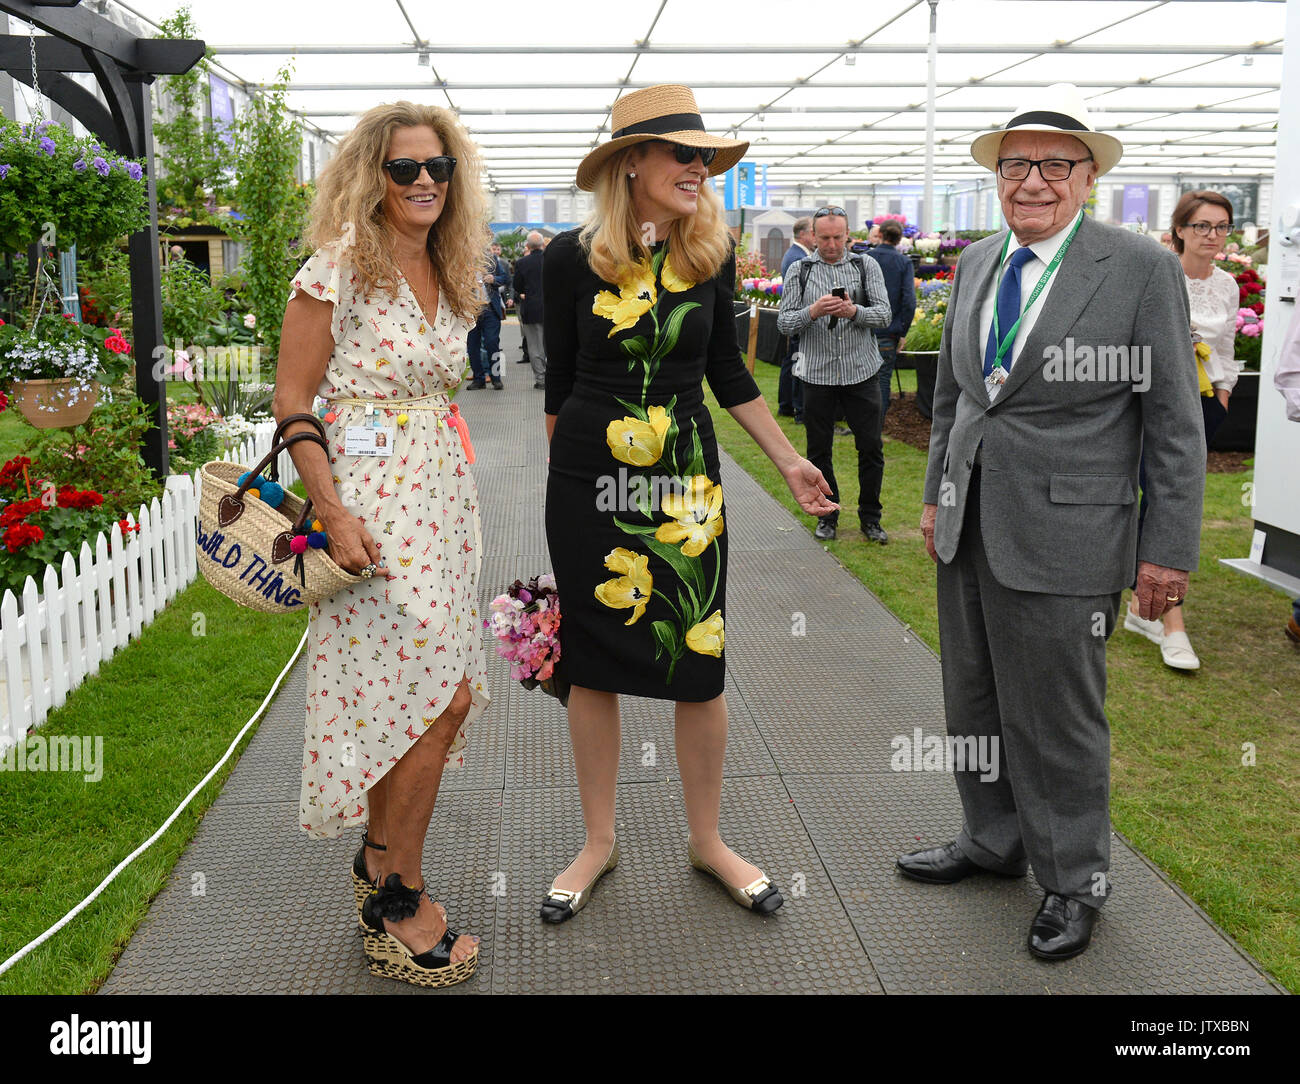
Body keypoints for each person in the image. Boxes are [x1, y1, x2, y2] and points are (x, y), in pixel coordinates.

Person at [902, 84, 1205, 961]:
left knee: (1061, 720)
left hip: (1071, 536)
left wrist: (1168, 552)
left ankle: (1075, 880)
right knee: (975, 700)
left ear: (1086, 179)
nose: (1032, 181)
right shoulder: (978, 262)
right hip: (970, 523)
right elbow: (958, 397)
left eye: (1053, 166)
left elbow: (1174, 424)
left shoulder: (1138, 267)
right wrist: (935, 495)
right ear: (997, 178)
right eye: (1015, 165)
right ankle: (993, 841)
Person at [541, 84, 836, 923]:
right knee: (590, 662)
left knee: (697, 661)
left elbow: (730, 375)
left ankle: (708, 841)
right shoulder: (570, 258)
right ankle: (598, 842)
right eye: (683, 154)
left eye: (704, 157)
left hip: (685, 484)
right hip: (588, 481)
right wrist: (564, 490)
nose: (698, 169)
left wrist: (788, 463)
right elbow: (558, 385)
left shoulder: (709, 254)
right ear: (631, 162)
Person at [274, 101, 491, 987]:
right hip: (368, 516)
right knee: (433, 703)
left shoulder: (453, 266)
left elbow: (436, 392)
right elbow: (293, 401)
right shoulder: (336, 271)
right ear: (373, 177)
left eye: (438, 167)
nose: (425, 182)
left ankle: (378, 858)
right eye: (405, 169)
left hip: (441, 505)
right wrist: (330, 511)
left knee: (422, 696)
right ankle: (398, 893)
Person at [1124, 190, 1239, 670]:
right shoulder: (1156, 274)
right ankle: (1171, 622)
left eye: (1221, 227)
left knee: (1166, 499)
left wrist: (1224, 391)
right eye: (1202, 227)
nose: (1212, 236)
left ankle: (1139, 607)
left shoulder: (1228, 284)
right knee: (1159, 500)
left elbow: (1227, 344)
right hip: (1153, 404)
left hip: (1206, 402)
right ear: (1179, 232)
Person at [776, 206, 892, 543]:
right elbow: (784, 323)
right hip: (817, 375)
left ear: (847, 234)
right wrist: (813, 311)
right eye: (824, 237)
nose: (830, 244)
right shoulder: (800, 270)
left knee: (870, 447)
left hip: (862, 372)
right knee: (818, 451)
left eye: (837, 237)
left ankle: (871, 518)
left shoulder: (865, 265)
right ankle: (828, 515)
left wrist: (853, 311)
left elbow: (884, 315)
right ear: (812, 235)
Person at [865, 219, 917, 424]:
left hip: (865, 326)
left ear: (881, 235)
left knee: (863, 380)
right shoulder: (903, 262)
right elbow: (909, 301)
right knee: (882, 380)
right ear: (898, 238)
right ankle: (876, 427)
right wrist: (903, 331)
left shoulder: (866, 258)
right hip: (889, 331)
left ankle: (865, 425)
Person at [777, 216, 815, 421]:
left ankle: (787, 405)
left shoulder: (796, 254)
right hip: (800, 317)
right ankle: (799, 409)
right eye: (812, 231)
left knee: (791, 361)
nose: (815, 236)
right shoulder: (798, 258)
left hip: (796, 317)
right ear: (802, 234)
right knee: (799, 363)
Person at [466, 244, 508, 389]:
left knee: (492, 343)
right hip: (471, 310)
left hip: (490, 309)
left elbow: (504, 278)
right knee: (472, 347)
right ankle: (479, 379)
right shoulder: (462, 262)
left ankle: (496, 378)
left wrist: (494, 279)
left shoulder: (491, 259)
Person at [513, 229, 548, 388]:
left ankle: (541, 380)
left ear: (527, 245)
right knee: (552, 344)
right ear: (542, 244)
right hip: (552, 308)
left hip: (531, 308)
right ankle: (554, 378)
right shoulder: (551, 260)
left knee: (534, 346)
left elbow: (517, 286)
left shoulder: (521, 263)